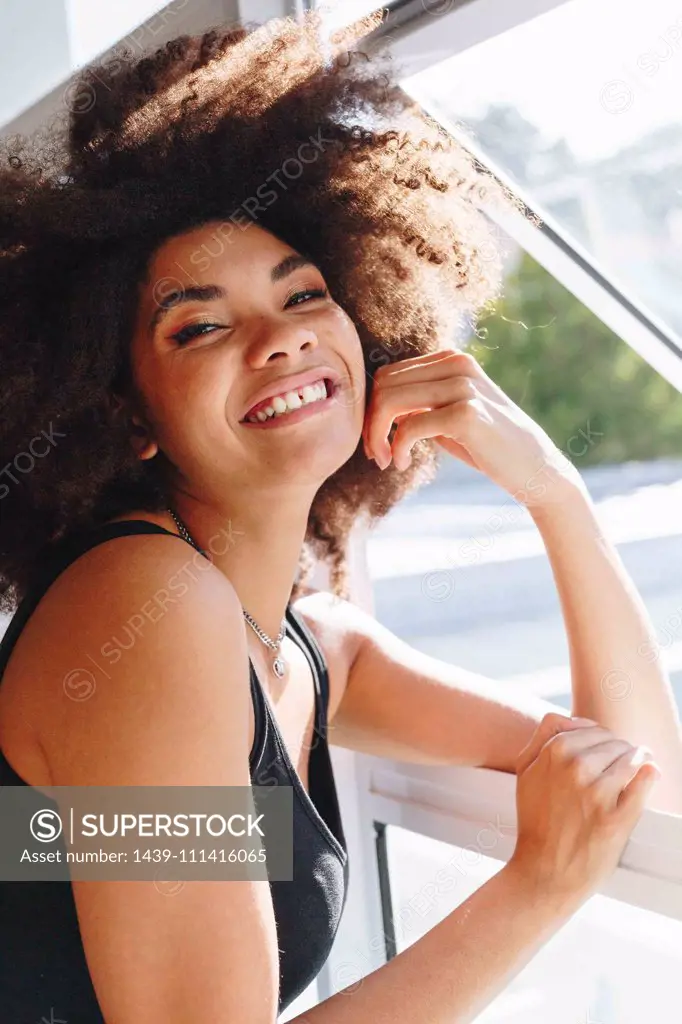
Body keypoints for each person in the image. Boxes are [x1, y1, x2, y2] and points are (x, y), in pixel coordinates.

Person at [0, 10, 680, 1024]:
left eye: (305, 294)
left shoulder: (311, 646)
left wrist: (555, 497)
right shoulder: (139, 610)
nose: (278, 341)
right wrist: (534, 886)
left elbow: (632, 777)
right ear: (127, 418)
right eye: (199, 325)